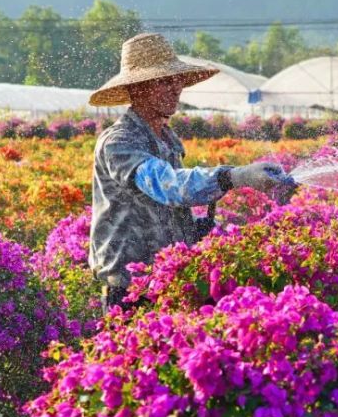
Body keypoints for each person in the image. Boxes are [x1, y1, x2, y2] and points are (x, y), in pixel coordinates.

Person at [87, 33, 294, 310]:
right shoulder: (119, 142)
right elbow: (168, 186)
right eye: (164, 81)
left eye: (178, 80)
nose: (176, 89)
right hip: (130, 293)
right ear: (137, 89)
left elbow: (167, 210)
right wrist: (234, 176)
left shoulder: (167, 141)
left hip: (168, 284)